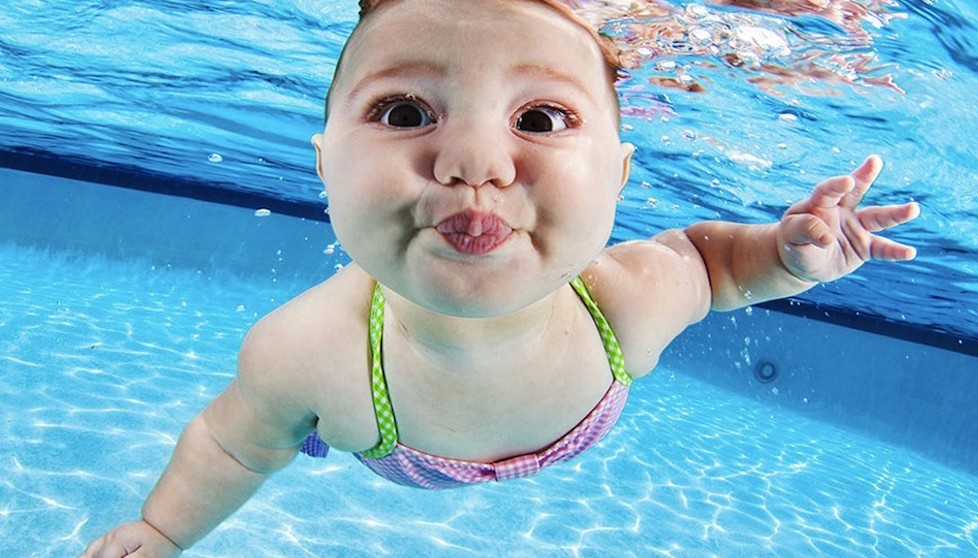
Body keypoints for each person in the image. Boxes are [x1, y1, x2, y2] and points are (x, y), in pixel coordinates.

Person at [81, 0, 920, 555]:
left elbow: (714, 265)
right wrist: (162, 530)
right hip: (392, 449)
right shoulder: (305, 353)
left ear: (620, 178)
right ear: (324, 169)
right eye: (406, 112)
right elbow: (234, 444)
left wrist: (786, 254)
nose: (475, 162)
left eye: (541, 119)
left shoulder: (623, 303)